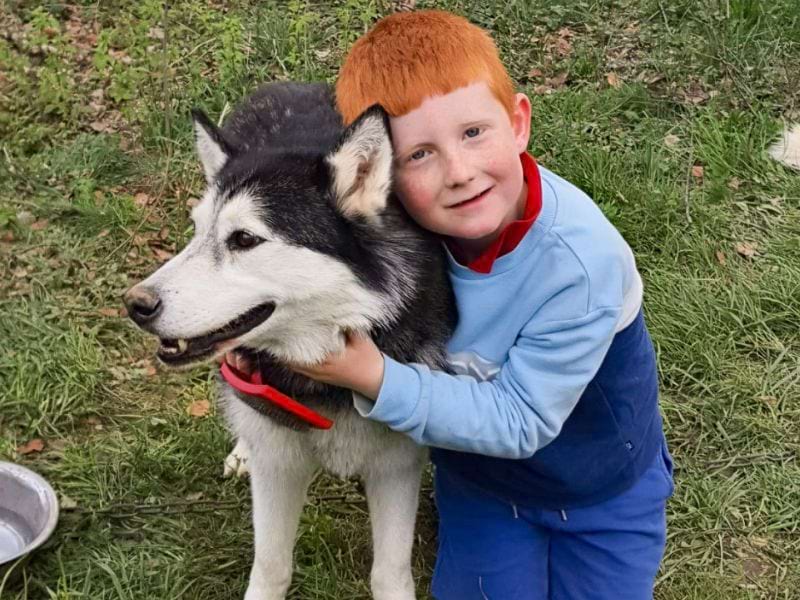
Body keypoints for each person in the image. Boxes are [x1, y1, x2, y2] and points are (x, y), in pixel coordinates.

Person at [228, 9, 673, 599]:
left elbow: (523, 421)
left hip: (598, 486)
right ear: (383, 172)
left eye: (472, 133)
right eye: (420, 155)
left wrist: (374, 376)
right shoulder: (403, 226)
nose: (458, 173)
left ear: (517, 123)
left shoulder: (581, 265)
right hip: (481, 484)